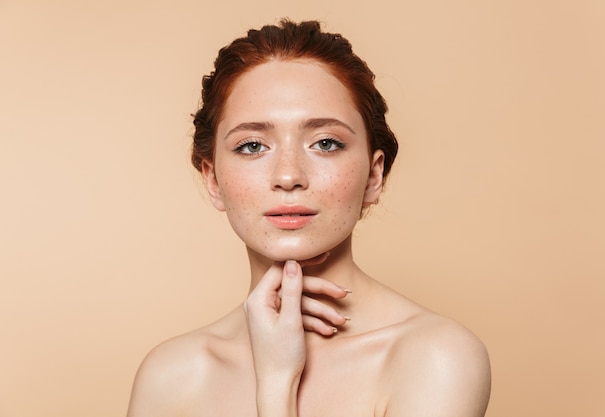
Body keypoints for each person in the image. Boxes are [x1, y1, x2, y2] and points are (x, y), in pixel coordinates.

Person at [127, 19, 491, 417]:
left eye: (326, 143)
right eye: (251, 146)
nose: (288, 176)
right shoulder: (172, 376)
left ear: (374, 175)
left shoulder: (435, 357)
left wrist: (277, 387)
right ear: (212, 179)